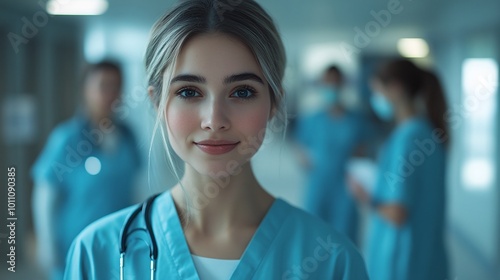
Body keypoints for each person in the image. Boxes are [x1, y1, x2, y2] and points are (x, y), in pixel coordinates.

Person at [63, 1, 369, 279]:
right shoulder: (96, 254)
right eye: (188, 92)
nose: (214, 120)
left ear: (273, 104)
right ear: (157, 104)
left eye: (242, 92)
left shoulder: (333, 262)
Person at [31, 61, 141, 280]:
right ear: (86, 90)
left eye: (116, 86)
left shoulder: (128, 136)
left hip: (119, 246)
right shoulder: (67, 138)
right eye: (103, 86)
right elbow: (45, 195)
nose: (110, 94)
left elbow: (136, 188)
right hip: (74, 247)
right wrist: (47, 245)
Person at [350, 59, 449, 280]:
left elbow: (397, 213)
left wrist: (363, 194)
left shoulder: (407, 139)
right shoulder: (427, 132)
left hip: (402, 263)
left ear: (395, 89)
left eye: (377, 91)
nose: (376, 99)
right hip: (428, 260)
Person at [293, 65, 367, 243]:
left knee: (344, 241)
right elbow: (300, 151)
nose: (331, 87)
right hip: (318, 188)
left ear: (342, 84)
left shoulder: (356, 121)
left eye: (335, 82)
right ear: (320, 85)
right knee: (314, 239)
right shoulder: (312, 120)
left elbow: (362, 154)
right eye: (327, 82)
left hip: (345, 192)